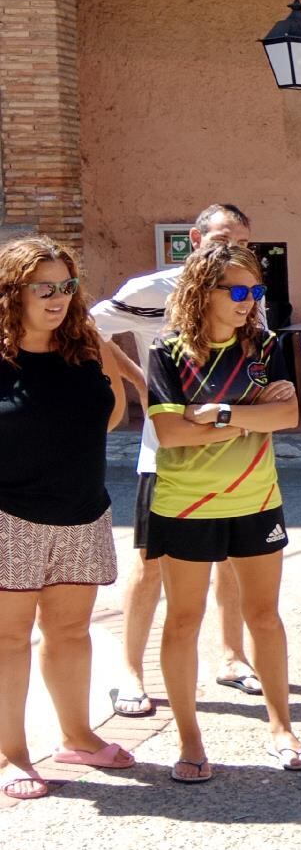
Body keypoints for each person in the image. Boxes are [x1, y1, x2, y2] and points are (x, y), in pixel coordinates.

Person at [146, 244, 301, 780]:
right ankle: (190, 741)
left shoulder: (264, 346)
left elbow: (288, 415)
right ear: (203, 292)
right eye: (237, 291)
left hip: (256, 498)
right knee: (184, 620)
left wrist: (219, 414)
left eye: (256, 291)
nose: (248, 302)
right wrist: (251, 415)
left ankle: (281, 726)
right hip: (185, 505)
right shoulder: (167, 352)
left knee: (264, 616)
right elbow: (169, 433)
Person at [90, 202, 259, 716]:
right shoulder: (151, 290)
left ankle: (233, 657)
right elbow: (90, 326)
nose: (230, 251)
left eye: (241, 243)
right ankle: (130, 672)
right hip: (164, 456)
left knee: (231, 561)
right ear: (194, 237)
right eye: (222, 238)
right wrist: (140, 383)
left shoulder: (248, 291)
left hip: (233, 455)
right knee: (151, 565)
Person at [0, 237, 132, 799]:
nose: (57, 298)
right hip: (11, 517)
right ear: (13, 294)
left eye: (65, 286)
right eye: (43, 288)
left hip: (83, 512)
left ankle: (77, 737)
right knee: (9, 639)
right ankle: (13, 755)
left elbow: (113, 409)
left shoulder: (86, 345)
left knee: (71, 632)